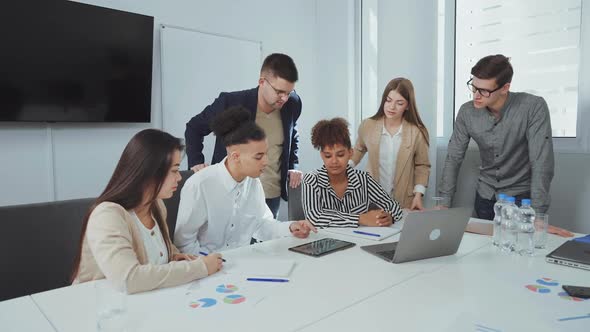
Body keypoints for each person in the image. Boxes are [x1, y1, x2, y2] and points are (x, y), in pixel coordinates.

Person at [72, 129, 223, 294]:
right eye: (174, 170)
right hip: (100, 308)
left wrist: (173, 256)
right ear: (149, 171)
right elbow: (128, 279)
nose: (179, 178)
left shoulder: (156, 206)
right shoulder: (107, 216)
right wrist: (200, 267)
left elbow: (155, 251)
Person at [174, 106, 316, 255]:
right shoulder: (200, 185)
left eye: (266, 154)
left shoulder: (253, 183)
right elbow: (184, 244)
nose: (266, 162)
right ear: (235, 157)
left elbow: (261, 225)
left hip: (242, 263)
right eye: (258, 156)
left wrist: (290, 227)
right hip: (205, 269)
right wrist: (209, 264)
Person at [185, 53, 302, 218]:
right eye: (279, 92)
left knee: (268, 240)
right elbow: (194, 127)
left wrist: (292, 166)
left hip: (270, 195)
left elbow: (292, 135)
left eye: (289, 92)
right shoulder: (231, 102)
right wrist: (195, 161)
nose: (284, 98)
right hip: (232, 194)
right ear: (262, 82)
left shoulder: (293, 104)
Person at [302, 118, 404, 228]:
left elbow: (394, 206)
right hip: (324, 242)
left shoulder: (364, 180)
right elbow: (314, 217)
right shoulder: (311, 180)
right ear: (322, 155)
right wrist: (360, 218)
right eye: (328, 156)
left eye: (340, 155)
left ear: (350, 153)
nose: (334, 161)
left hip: (361, 240)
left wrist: (389, 216)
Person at [351, 78, 431, 210]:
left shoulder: (417, 131)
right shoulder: (368, 125)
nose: (391, 107)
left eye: (399, 103)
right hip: (371, 199)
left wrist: (418, 195)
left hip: (404, 200)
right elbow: (358, 150)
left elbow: (422, 165)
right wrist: (343, 168)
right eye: (388, 100)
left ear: (408, 106)